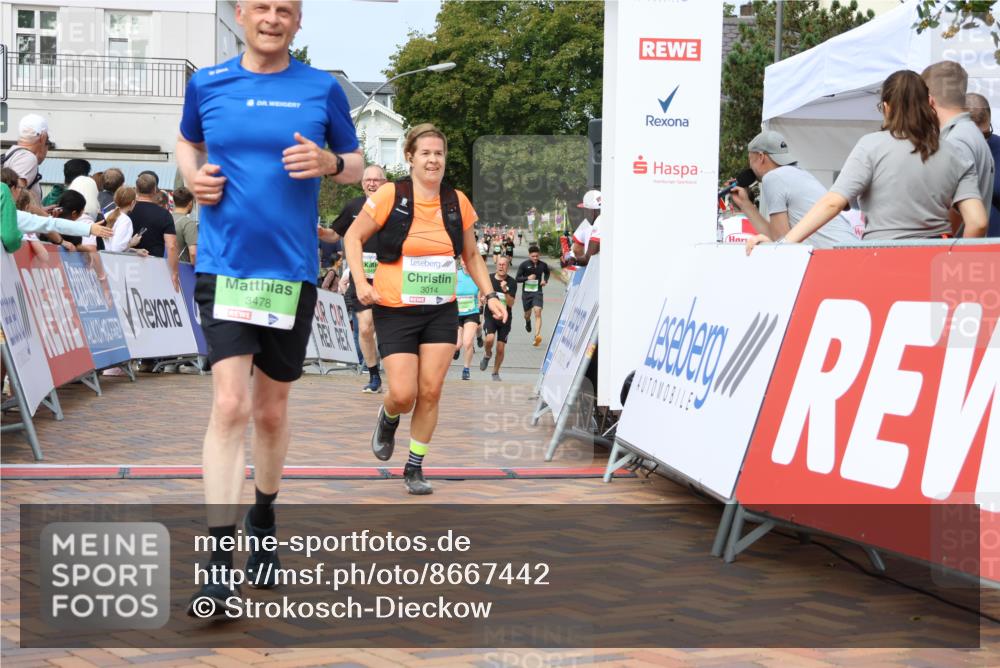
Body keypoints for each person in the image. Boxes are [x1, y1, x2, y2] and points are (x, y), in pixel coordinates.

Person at [175, 0, 363, 617]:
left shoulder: (320, 87)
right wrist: (193, 176)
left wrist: (332, 164)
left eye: (286, 8)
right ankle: (218, 564)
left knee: (271, 411)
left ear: (299, 21)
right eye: (262, 6)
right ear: (240, 14)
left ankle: (263, 514)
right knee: (230, 404)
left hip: (290, 272)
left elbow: (356, 163)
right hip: (224, 266)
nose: (273, 17)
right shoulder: (207, 83)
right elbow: (186, 140)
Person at [344, 123, 504, 495]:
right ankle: (389, 414)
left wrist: (491, 294)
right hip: (395, 307)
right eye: (426, 153)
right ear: (410, 157)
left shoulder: (456, 201)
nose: (434, 160)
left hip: (439, 309)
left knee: (430, 390)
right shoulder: (389, 195)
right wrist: (361, 281)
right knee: (403, 393)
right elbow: (353, 237)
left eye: (439, 153)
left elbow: (470, 255)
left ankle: (414, 467)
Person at [747, 70, 987, 252]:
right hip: (934, 258)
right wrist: (954, 257)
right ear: (930, 104)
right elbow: (977, 222)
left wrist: (783, 245)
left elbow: (832, 203)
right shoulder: (955, 152)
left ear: (886, 107)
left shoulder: (871, 146)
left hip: (882, 257)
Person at [731, 131, 858, 248]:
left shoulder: (773, 177)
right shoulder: (798, 173)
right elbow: (781, 240)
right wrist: (745, 204)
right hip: (849, 252)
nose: (750, 166)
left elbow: (780, 242)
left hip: (835, 258)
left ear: (760, 157)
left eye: (750, 160)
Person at [329, 165, 388, 393]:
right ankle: (374, 376)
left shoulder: (395, 206)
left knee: (386, 328)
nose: (371, 184)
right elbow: (335, 234)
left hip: (389, 276)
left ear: (385, 182)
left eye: (376, 180)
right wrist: (316, 231)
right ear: (362, 183)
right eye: (367, 180)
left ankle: (394, 367)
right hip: (361, 276)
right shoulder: (353, 206)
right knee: (365, 327)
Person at [922, 61, 995, 235]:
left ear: (930, 101)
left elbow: (968, 220)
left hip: (951, 255)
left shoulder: (955, 142)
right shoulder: (970, 134)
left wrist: (958, 256)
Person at [966, 93, 1000, 237]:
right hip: (958, 248)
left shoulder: (997, 147)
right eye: (976, 137)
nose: (982, 143)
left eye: (986, 135)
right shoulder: (946, 151)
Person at [479, 254, 517, 381]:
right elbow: (481, 293)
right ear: (496, 265)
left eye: (504, 264)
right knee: (489, 339)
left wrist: (505, 290)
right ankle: (487, 354)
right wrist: (482, 299)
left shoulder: (512, 282)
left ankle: (495, 372)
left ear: (507, 267)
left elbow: (511, 303)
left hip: (505, 319)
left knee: (500, 348)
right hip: (490, 315)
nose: (501, 266)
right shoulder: (489, 279)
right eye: (499, 264)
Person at [130, 173, 178, 264]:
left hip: (125, 265)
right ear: (154, 189)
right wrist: (174, 272)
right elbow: (171, 246)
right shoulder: (164, 214)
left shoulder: (127, 211)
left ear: (136, 189)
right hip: (155, 265)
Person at [2, 114, 50, 205]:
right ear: (43, 137)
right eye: (47, 142)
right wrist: (44, 216)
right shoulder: (28, 158)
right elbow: (15, 196)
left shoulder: (11, 153)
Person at [515, 245, 550, 347]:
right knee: (527, 314)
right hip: (526, 293)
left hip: (537, 292)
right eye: (533, 256)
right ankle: (527, 321)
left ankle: (537, 336)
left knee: (538, 312)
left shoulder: (543, 265)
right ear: (529, 255)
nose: (535, 258)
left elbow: (547, 273)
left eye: (537, 256)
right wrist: (527, 278)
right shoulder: (524, 265)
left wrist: (545, 280)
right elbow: (517, 279)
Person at [455, 257, 481, 380]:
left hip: (472, 312)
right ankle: (456, 349)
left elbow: (482, 292)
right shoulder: (456, 275)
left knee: (468, 342)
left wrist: (482, 301)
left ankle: (466, 369)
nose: (465, 263)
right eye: (463, 261)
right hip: (456, 313)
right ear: (461, 262)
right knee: (457, 344)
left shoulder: (477, 276)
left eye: (467, 260)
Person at [104, 186, 143, 253]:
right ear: (133, 203)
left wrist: (136, 251)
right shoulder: (125, 221)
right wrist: (132, 243)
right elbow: (116, 249)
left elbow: (111, 246)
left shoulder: (107, 214)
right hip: (111, 261)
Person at [572, 189, 601, 265]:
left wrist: (572, 260)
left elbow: (587, 259)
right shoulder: (588, 223)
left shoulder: (600, 221)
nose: (584, 214)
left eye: (585, 210)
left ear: (591, 211)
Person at [172, 186, 199, 264]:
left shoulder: (165, 218)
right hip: (182, 269)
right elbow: (193, 253)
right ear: (190, 203)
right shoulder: (188, 224)